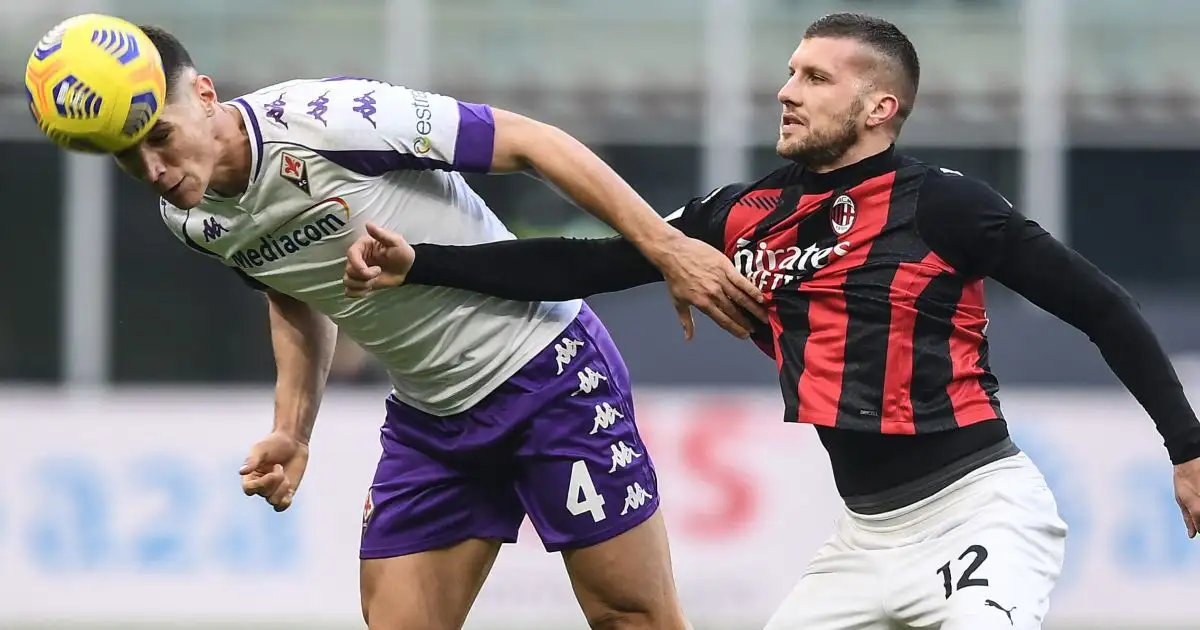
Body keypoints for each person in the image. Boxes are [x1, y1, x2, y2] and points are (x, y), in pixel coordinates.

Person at [341, 12, 1200, 630]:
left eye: (815, 78)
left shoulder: (944, 207)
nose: (787, 92)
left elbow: (1101, 306)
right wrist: (426, 261)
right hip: (864, 542)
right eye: (790, 72)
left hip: (980, 515)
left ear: (879, 109)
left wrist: (1189, 448)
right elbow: (584, 262)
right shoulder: (745, 214)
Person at [109, 24, 771, 630]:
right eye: (127, 156)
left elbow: (529, 142)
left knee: (632, 619)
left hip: (548, 376)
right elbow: (291, 293)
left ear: (203, 95)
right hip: (432, 422)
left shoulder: (330, 121)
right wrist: (292, 425)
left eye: (160, 137)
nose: (153, 172)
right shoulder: (192, 218)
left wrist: (666, 246)